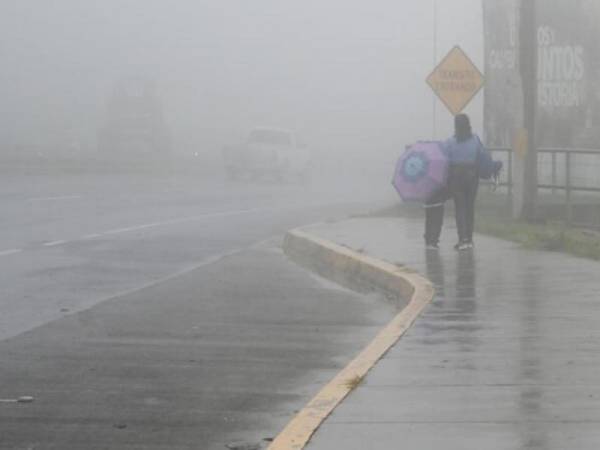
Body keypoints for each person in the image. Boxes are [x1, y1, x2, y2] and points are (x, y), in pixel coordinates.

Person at [424, 113, 496, 251]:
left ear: (456, 126)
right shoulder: (475, 139)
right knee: (470, 208)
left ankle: (462, 239)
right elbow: (482, 155)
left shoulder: (451, 142)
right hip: (472, 176)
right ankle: (469, 239)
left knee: (460, 208)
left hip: (456, 177)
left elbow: (442, 156)